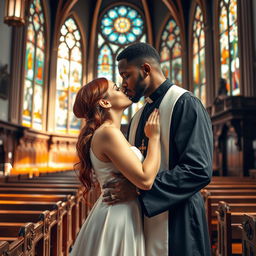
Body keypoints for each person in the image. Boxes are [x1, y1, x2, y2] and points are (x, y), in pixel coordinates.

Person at [103, 42, 213, 256]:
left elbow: (198, 170)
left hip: (180, 220)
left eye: (126, 75)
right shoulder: (137, 116)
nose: (123, 84)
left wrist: (137, 190)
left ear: (145, 70)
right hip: (143, 218)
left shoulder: (185, 103)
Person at [70, 77, 161, 256]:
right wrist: (155, 138)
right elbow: (146, 179)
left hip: (121, 210)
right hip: (118, 216)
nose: (124, 89)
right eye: (117, 88)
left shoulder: (110, 132)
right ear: (105, 102)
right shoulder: (108, 133)